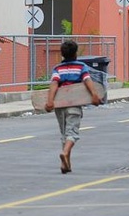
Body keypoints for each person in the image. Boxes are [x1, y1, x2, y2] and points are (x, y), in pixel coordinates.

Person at [44, 39, 102, 174]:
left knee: (64, 134)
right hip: (74, 104)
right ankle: (65, 153)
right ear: (76, 54)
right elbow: (87, 80)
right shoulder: (81, 67)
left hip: (59, 106)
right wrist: (94, 95)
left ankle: (66, 165)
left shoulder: (57, 68)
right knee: (72, 133)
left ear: (62, 55)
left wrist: (50, 101)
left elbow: (54, 84)